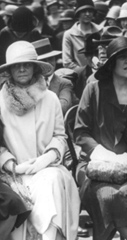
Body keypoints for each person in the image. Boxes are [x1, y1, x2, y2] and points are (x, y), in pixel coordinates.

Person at [74, 36, 127, 240]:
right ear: (112, 63)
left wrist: (125, 160)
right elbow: (80, 132)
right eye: (123, 57)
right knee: (108, 194)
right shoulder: (93, 90)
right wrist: (103, 155)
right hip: (93, 166)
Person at [0, 40, 80, 240]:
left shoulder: (51, 98)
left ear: (35, 67)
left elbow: (59, 136)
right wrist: (11, 164)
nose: (22, 68)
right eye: (16, 65)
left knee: (51, 182)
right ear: (9, 70)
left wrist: (47, 158)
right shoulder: (0, 100)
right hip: (12, 172)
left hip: (47, 166)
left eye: (27, 64)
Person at [32, 38, 73, 115]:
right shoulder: (29, 82)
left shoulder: (64, 83)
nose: (49, 63)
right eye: (43, 61)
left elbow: (63, 106)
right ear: (36, 64)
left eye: (51, 59)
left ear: (55, 59)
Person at [62, 0, 102, 76]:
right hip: (79, 76)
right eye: (84, 11)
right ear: (78, 13)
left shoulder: (101, 31)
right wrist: (84, 72)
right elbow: (67, 62)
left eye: (90, 11)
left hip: (100, 73)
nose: (87, 14)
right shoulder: (69, 34)